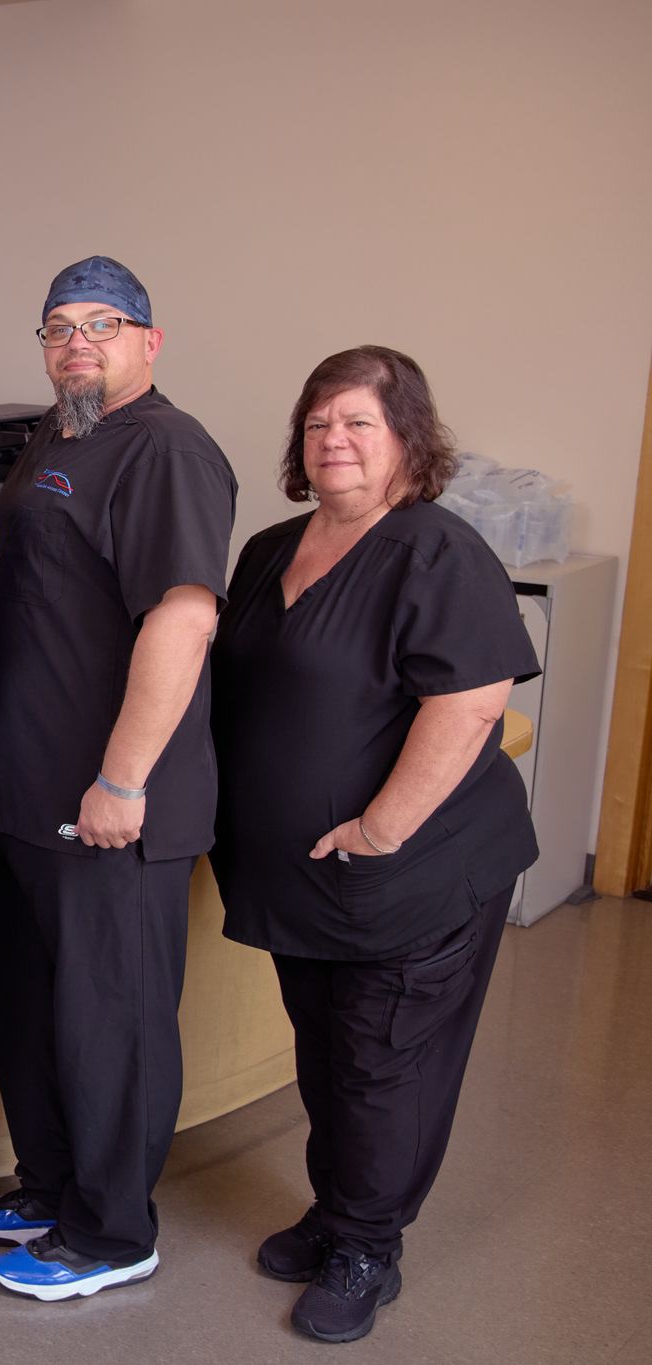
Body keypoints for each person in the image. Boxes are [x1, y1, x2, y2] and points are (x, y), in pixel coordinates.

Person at [210, 346, 538, 1344]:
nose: (333, 442)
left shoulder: (434, 551)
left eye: (358, 423)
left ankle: (368, 1248)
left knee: (382, 1063)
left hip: (410, 875)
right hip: (303, 881)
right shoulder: (271, 548)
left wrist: (381, 828)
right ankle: (336, 1210)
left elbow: (471, 697)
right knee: (326, 1053)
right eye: (317, 424)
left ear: (405, 440)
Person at [0, 256, 236, 1300]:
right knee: (35, 1007)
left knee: (109, 1019)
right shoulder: (56, 434)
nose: (76, 342)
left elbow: (183, 615)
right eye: (56, 326)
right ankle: (50, 1189)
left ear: (148, 342)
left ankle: (114, 1232)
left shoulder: (164, 448)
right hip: (29, 793)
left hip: (107, 806)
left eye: (102, 323)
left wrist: (121, 781)